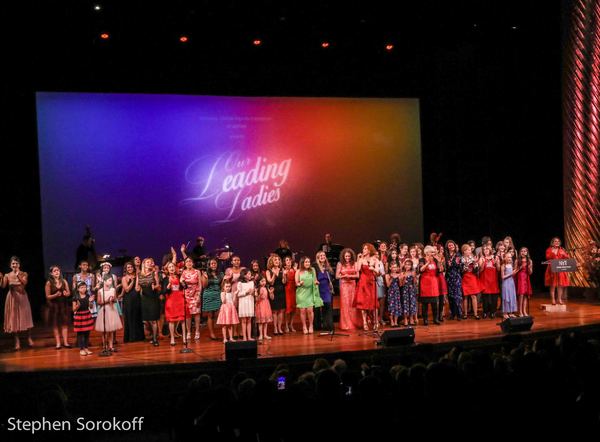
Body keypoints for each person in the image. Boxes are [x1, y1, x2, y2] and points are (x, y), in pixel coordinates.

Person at [2, 256, 34, 350]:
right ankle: (17, 341)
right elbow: (3, 286)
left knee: (26, 316)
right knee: (14, 318)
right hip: (12, 298)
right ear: (10, 265)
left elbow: (24, 283)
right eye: (13, 263)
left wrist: (17, 275)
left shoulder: (24, 273)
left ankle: (29, 338)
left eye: (16, 263)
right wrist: (1, 278)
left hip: (22, 297)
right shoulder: (7, 275)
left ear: (19, 264)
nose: (14, 265)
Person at [45, 265, 72, 349]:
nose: (57, 272)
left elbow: (69, 293)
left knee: (65, 324)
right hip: (54, 306)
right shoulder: (49, 283)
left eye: (58, 270)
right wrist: (55, 295)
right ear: (51, 273)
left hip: (63, 305)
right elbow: (47, 296)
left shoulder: (64, 281)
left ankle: (66, 342)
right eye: (55, 271)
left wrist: (66, 294)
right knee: (55, 325)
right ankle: (58, 343)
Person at [95, 271, 122, 352]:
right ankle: (104, 345)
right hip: (104, 310)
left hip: (111, 310)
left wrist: (113, 299)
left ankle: (111, 346)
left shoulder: (113, 289)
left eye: (111, 280)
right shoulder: (100, 291)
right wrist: (107, 300)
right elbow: (99, 302)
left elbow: (115, 299)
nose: (111, 282)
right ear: (104, 281)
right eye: (109, 280)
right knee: (104, 330)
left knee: (110, 330)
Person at [354, 243, 379, 331]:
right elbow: (357, 270)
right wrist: (358, 259)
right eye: (363, 248)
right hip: (363, 282)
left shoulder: (375, 259)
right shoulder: (361, 259)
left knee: (373, 303)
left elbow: (378, 272)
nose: (363, 250)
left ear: (369, 250)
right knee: (363, 303)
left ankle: (376, 322)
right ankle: (365, 322)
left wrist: (373, 269)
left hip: (371, 282)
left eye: (365, 249)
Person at [295, 256, 323, 334]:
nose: (307, 263)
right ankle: (304, 326)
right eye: (306, 262)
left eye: (308, 262)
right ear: (302, 263)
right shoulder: (298, 271)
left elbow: (315, 280)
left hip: (310, 292)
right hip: (301, 293)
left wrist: (316, 282)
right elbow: (296, 282)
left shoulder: (312, 270)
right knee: (303, 311)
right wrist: (299, 283)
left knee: (310, 310)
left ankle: (311, 325)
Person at [136, 257, 161, 346]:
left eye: (150, 262)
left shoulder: (154, 273)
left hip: (153, 297)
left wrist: (155, 286)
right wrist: (138, 288)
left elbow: (159, 286)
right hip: (144, 299)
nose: (149, 263)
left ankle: (155, 339)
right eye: (147, 262)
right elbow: (137, 287)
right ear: (144, 264)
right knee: (146, 321)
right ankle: (151, 334)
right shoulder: (139, 274)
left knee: (153, 320)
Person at [336, 248, 360, 331]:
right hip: (344, 285)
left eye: (349, 256)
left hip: (352, 285)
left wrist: (349, 276)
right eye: (346, 256)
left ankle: (354, 322)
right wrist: (343, 276)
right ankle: (346, 324)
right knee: (345, 304)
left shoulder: (355, 263)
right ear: (343, 256)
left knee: (352, 304)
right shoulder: (340, 264)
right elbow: (337, 276)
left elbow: (357, 275)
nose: (347, 258)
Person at [121, 261, 144, 343]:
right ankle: (131, 337)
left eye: (131, 267)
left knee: (137, 316)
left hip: (137, 298)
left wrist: (136, 278)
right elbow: (126, 289)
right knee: (129, 317)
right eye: (128, 267)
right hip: (128, 300)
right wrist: (133, 281)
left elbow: (138, 288)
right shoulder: (124, 278)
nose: (129, 268)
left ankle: (139, 336)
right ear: (126, 269)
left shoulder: (137, 276)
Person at [163, 262, 185, 346]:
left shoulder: (179, 277)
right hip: (171, 300)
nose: (171, 268)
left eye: (173, 266)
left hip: (180, 299)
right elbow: (164, 291)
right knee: (171, 320)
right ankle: (172, 338)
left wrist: (183, 283)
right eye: (170, 267)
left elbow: (183, 287)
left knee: (182, 318)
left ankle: (184, 337)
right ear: (167, 270)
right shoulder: (166, 279)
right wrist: (168, 287)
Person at [201, 258, 223, 341]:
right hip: (209, 295)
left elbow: (222, 285)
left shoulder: (220, 274)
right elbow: (204, 286)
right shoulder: (205, 273)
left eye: (215, 263)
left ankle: (221, 332)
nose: (214, 265)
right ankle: (212, 334)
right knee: (210, 315)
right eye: (212, 264)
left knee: (218, 314)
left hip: (217, 294)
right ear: (209, 265)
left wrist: (225, 279)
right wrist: (206, 278)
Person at [181, 257, 202, 341]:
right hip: (187, 295)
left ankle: (197, 331)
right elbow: (181, 282)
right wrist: (182, 281)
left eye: (190, 261)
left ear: (192, 263)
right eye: (187, 262)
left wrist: (199, 295)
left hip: (196, 293)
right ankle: (189, 332)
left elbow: (200, 284)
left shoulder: (197, 272)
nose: (189, 263)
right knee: (188, 315)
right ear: (185, 264)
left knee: (196, 313)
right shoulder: (183, 272)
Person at [419, 246, 441, 325]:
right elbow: (420, 269)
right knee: (425, 303)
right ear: (426, 253)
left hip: (434, 283)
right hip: (425, 283)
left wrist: (439, 262)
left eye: (433, 252)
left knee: (434, 302)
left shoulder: (435, 260)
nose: (432, 254)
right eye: (431, 252)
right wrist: (427, 262)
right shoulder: (422, 260)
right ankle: (425, 320)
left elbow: (441, 270)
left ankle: (436, 319)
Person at [545, 237, 570, 305]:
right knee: (552, 285)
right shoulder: (549, 250)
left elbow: (567, 258)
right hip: (552, 268)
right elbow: (547, 257)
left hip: (560, 268)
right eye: (555, 241)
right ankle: (553, 299)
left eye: (558, 241)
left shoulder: (562, 250)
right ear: (552, 243)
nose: (557, 242)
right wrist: (553, 253)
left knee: (560, 285)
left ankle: (559, 299)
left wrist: (566, 254)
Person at [266, 255, 287, 335]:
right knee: (275, 311)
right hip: (273, 291)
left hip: (281, 291)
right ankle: (275, 329)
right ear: (271, 261)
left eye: (278, 260)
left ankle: (279, 328)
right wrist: (274, 274)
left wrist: (284, 275)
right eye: (275, 260)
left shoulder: (282, 270)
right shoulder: (269, 271)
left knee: (281, 310)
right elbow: (270, 282)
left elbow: (284, 282)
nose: (277, 261)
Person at [72, 281, 94, 356]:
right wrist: (78, 306)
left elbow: (90, 307)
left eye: (85, 287)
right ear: (78, 289)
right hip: (79, 316)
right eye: (81, 287)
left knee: (87, 333)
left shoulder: (87, 296)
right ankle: (81, 349)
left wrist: (91, 302)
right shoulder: (75, 297)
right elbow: (74, 309)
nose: (83, 289)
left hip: (87, 315)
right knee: (80, 333)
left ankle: (86, 348)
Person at [478, 246, 500, 319]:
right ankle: (485, 312)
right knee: (485, 297)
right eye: (484, 249)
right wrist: (483, 263)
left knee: (494, 297)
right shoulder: (481, 258)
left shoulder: (495, 257)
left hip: (493, 280)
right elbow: (480, 270)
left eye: (487, 249)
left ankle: (493, 312)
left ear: (490, 250)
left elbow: (498, 269)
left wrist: (496, 262)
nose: (485, 250)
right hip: (485, 280)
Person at [314, 251, 334, 332]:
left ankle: (328, 326)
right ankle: (317, 326)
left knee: (328, 307)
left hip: (326, 290)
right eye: (320, 255)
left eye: (324, 255)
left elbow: (331, 278)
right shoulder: (314, 266)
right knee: (317, 309)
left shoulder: (327, 267)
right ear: (318, 257)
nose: (322, 256)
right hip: (318, 289)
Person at [461, 244, 481, 320]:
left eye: (469, 250)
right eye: (467, 250)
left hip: (472, 277)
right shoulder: (461, 259)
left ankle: (476, 314)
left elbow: (476, 270)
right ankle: (465, 314)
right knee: (465, 296)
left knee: (473, 296)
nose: (469, 251)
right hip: (465, 277)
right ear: (464, 251)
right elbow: (461, 271)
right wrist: (465, 265)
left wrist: (475, 263)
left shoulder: (473, 258)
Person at [444, 240, 463, 320]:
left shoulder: (458, 255)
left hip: (456, 277)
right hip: (449, 277)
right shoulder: (446, 255)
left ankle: (459, 314)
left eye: (452, 245)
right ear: (447, 247)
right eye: (449, 245)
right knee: (450, 297)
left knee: (457, 296)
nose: (451, 247)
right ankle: (452, 313)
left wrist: (452, 263)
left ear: (455, 246)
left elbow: (459, 266)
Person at [236, 269, 256, 341]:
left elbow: (254, 293)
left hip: (250, 302)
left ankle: (249, 336)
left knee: (249, 320)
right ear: (244, 275)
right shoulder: (240, 283)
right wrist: (246, 292)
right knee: (244, 320)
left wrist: (253, 292)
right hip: (243, 303)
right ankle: (244, 337)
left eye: (250, 274)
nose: (250, 275)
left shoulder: (252, 283)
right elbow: (238, 294)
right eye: (249, 274)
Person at [399, 259, 418, 326]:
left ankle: (411, 318)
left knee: (412, 304)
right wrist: (403, 278)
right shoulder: (402, 273)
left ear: (411, 266)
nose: (407, 266)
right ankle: (405, 319)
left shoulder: (413, 272)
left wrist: (414, 278)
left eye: (409, 265)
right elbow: (401, 284)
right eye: (406, 264)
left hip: (411, 290)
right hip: (405, 290)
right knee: (405, 304)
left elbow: (415, 283)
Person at [516, 247, 533, 316]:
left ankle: (524, 310)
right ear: (520, 253)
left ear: (527, 253)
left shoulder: (530, 261)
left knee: (526, 294)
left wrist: (529, 268)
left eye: (525, 251)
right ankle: (520, 311)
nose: (523, 252)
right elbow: (515, 270)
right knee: (521, 294)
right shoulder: (518, 260)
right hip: (520, 278)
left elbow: (530, 272)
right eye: (522, 251)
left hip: (526, 278)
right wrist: (520, 267)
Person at [255, 276, 273, 341]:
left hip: (266, 304)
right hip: (260, 305)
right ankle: (261, 335)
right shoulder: (258, 289)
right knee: (260, 322)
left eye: (264, 281)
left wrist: (271, 292)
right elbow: (256, 299)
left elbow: (272, 298)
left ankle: (265, 334)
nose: (263, 283)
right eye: (262, 281)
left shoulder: (266, 288)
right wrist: (259, 295)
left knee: (265, 321)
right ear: (259, 282)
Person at [501, 252, 518, 318]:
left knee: (511, 296)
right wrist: (511, 274)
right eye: (508, 257)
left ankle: (511, 312)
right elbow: (502, 277)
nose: (509, 258)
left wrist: (515, 271)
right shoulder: (503, 265)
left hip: (511, 283)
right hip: (506, 283)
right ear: (505, 258)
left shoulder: (511, 265)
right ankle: (505, 313)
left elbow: (513, 273)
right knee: (506, 297)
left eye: (510, 257)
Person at [385, 262, 402, 327]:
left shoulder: (398, 275)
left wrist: (400, 279)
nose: (394, 269)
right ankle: (391, 321)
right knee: (391, 307)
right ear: (390, 268)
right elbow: (388, 285)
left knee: (397, 306)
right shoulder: (387, 275)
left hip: (397, 292)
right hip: (391, 292)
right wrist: (392, 278)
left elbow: (400, 285)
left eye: (396, 267)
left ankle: (396, 322)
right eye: (393, 267)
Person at [283, 256, 297, 332]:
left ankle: (291, 324)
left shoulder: (294, 270)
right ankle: (286, 325)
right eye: (287, 260)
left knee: (294, 309)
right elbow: (284, 282)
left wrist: (296, 271)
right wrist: (284, 275)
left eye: (289, 260)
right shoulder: (283, 270)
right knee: (288, 309)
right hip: (287, 290)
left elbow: (297, 280)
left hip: (294, 290)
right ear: (284, 262)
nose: (288, 261)